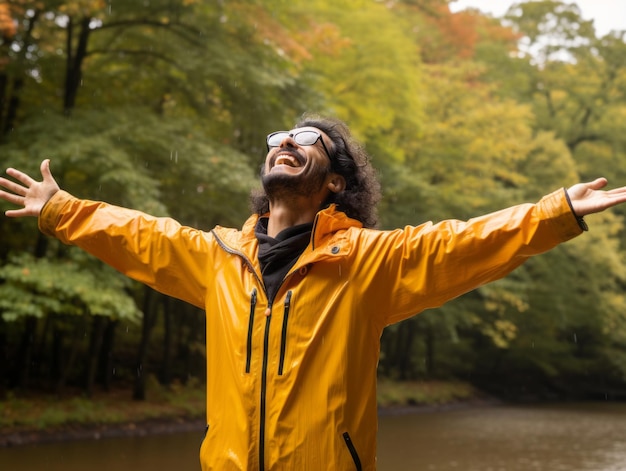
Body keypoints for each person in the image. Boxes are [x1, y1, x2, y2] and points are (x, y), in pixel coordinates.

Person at [2, 115, 626, 471]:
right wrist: (63, 210)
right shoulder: (217, 259)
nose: (284, 143)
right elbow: (141, 236)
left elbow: (463, 242)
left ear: (334, 183)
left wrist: (558, 211)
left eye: (306, 140)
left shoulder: (370, 263)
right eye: (277, 138)